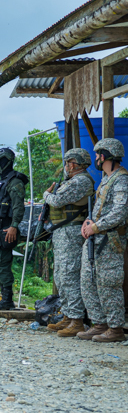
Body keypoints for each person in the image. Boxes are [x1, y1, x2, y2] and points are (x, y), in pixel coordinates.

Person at [77, 138, 128, 343]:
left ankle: (115, 328)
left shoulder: (121, 180)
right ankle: (99, 324)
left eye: (98, 155)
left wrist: (95, 227)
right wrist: (88, 222)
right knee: (88, 281)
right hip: (96, 239)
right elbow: (100, 209)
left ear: (105, 155)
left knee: (108, 283)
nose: (96, 158)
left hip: (110, 240)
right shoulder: (107, 179)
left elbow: (120, 212)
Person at [44, 148, 94, 337]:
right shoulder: (72, 181)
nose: (66, 167)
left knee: (69, 274)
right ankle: (67, 315)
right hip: (62, 232)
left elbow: (57, 201)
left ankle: (76, 321)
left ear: (72, 164)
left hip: (71, 233)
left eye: (67, 163)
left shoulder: (81, 181)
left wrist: (46, 195)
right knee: (61, 275)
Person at [0, 148, 27, 310]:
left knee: (2, 264)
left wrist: (14, 226)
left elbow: (18, 207)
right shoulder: (1, 183)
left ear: (4, 162)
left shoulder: (14, 182)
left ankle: (7, 300)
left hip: (6, 230)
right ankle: (5, 298)